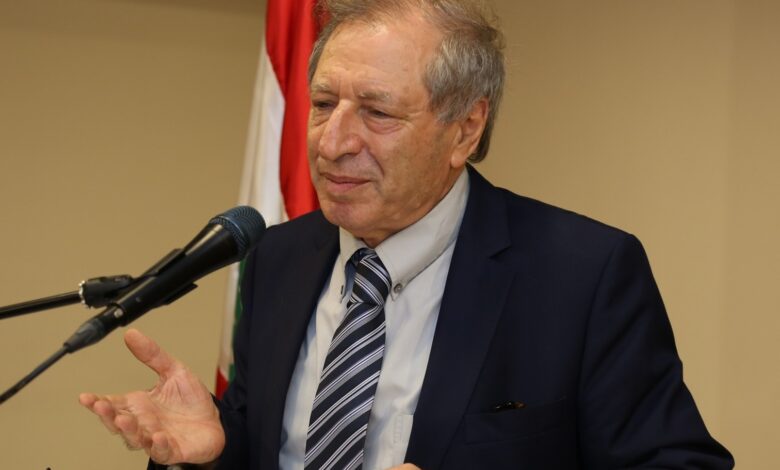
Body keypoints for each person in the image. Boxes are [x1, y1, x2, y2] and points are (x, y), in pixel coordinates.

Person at [80, 0, 734, 468]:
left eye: (377, 112)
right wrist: (212, 452)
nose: (332, 143)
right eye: (323, 104)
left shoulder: (583, 275)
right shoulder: (278, 256)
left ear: (465, 129)